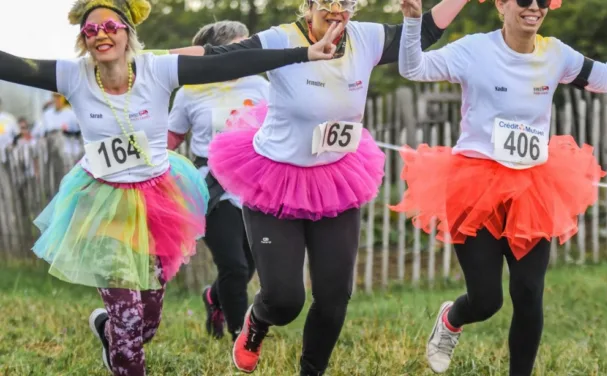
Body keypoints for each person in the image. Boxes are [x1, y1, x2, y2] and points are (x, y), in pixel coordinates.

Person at [0, 0, 342, 375]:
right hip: (102, 203)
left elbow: (227, 60)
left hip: (157, 202)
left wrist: (304, 53)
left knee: (145, 323)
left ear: (128, 31)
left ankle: (107, 330)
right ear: (83, 39)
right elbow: (12, 64)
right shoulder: (73, 75)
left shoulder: (157, 67)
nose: (101, 34)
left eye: (111, 26)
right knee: (129, 327)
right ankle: (121, 345)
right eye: (91, 29)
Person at [172, 0, 470, 374]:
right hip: (275, 180)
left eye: (346, 3)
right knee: (284, 300)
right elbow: (219, 57)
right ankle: (257, 323)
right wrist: (147, 60)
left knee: (333, 296)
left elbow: (424, 31)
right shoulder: (281, 38)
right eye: (327, 2)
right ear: (308, 5)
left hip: (335, 179)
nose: (337, 11)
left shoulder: (367, 37)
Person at [391, 0, 607, 375]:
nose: (533, 7)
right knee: (487, 301)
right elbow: (413, 67)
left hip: (532, 186)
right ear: (501, 4)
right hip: (475, 184)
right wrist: (413, 20)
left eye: (542, 0)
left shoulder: (556, 54)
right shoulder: (474, 50)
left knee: (529, 293)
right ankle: (452, 319)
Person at [168, 20, 269, 342]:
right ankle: (241, 338)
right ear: (217, 52)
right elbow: (170, 138)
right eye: (238, 46)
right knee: (234, 266)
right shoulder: (191, 91)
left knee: (253, 262)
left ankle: (214, 297)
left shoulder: (261, 85)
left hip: (255, 185)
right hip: (211, 187)